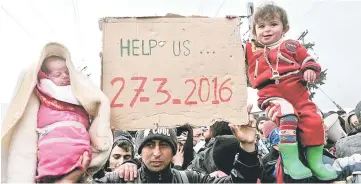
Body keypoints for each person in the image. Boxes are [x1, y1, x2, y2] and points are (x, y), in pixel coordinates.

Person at [244, 3, 338, 181]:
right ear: (255, 31)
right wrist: (229, 25)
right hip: (272, 93)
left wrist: (310, 69)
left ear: (285, 28)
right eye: (261, 26)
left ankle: (316, 162)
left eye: (273, 24)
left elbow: (307, 60)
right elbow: (228, 50)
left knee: (314, 120)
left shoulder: (292, 45)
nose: (267, 30)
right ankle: (291, 159)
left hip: (298, 92)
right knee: (287, 116)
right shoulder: (251, 49)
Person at [93, 104, 262, 183]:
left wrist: (247, 147)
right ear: (139, 150)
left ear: (174, 150)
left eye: (164, 145)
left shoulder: (190, 179)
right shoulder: (119, 180)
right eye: (150, 145)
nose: (157, 153)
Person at [35, 55, 92, 182]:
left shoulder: (82, 95)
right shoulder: (43, 94)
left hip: (78, 146)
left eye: (67, 72)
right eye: (57, 74)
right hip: (52, 146)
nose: (64, 76)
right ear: (46, 77)